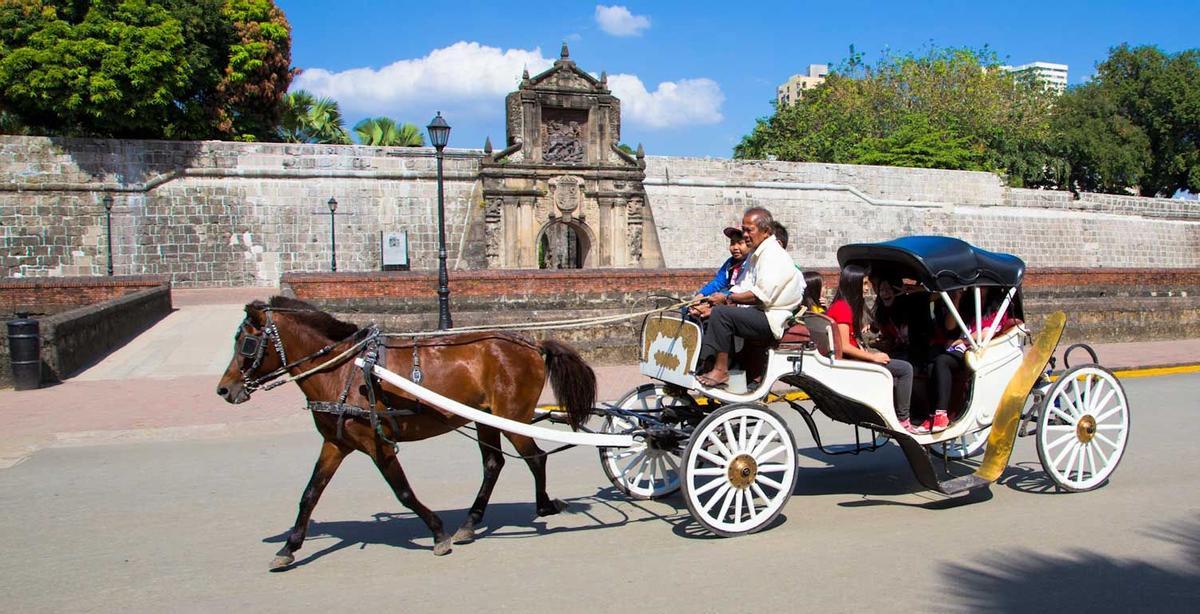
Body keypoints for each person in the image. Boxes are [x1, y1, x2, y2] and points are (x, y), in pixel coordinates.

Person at [691, 207, 805, 388]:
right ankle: (704, 365)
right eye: (743, 229)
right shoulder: (755, 255)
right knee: (703, 315)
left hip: (771, 318)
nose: (744, 235)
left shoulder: (773, 256)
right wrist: (709, 304)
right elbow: (741, 287)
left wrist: (727, 300)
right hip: (756, 312)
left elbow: (760, 297)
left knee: (722, 314)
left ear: (766, 232)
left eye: (748, 230)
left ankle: (721, 371)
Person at [826, 264, 917, 433]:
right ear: (854, 284)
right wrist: (873, 358)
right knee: (905, 369)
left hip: (854, 359)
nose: (868, 288)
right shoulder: (843, 308)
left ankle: (892, 413)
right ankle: (903, 419)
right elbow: (844, 346)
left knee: (894, 369)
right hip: (853, 363)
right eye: (864, 283)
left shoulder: (840, 305)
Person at [925, 287, 1014, 432]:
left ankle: (941, 414)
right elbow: (950, 326)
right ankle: (932, 414)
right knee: (931, 364)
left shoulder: (998, 308)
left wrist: (964, 341)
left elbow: (989, 332)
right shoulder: (970, 305)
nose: (979, 289)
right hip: (964, 346)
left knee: (942, 361)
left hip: (980, 349)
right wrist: (957, 299)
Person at [695, 227, 748, 298]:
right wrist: (701, 294)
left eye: (740, 243)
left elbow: (743, 288)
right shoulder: (730, 263)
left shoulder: (751, 263)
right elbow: (718, 283)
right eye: (732, 243)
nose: (735, 247)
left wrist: (725, 296)